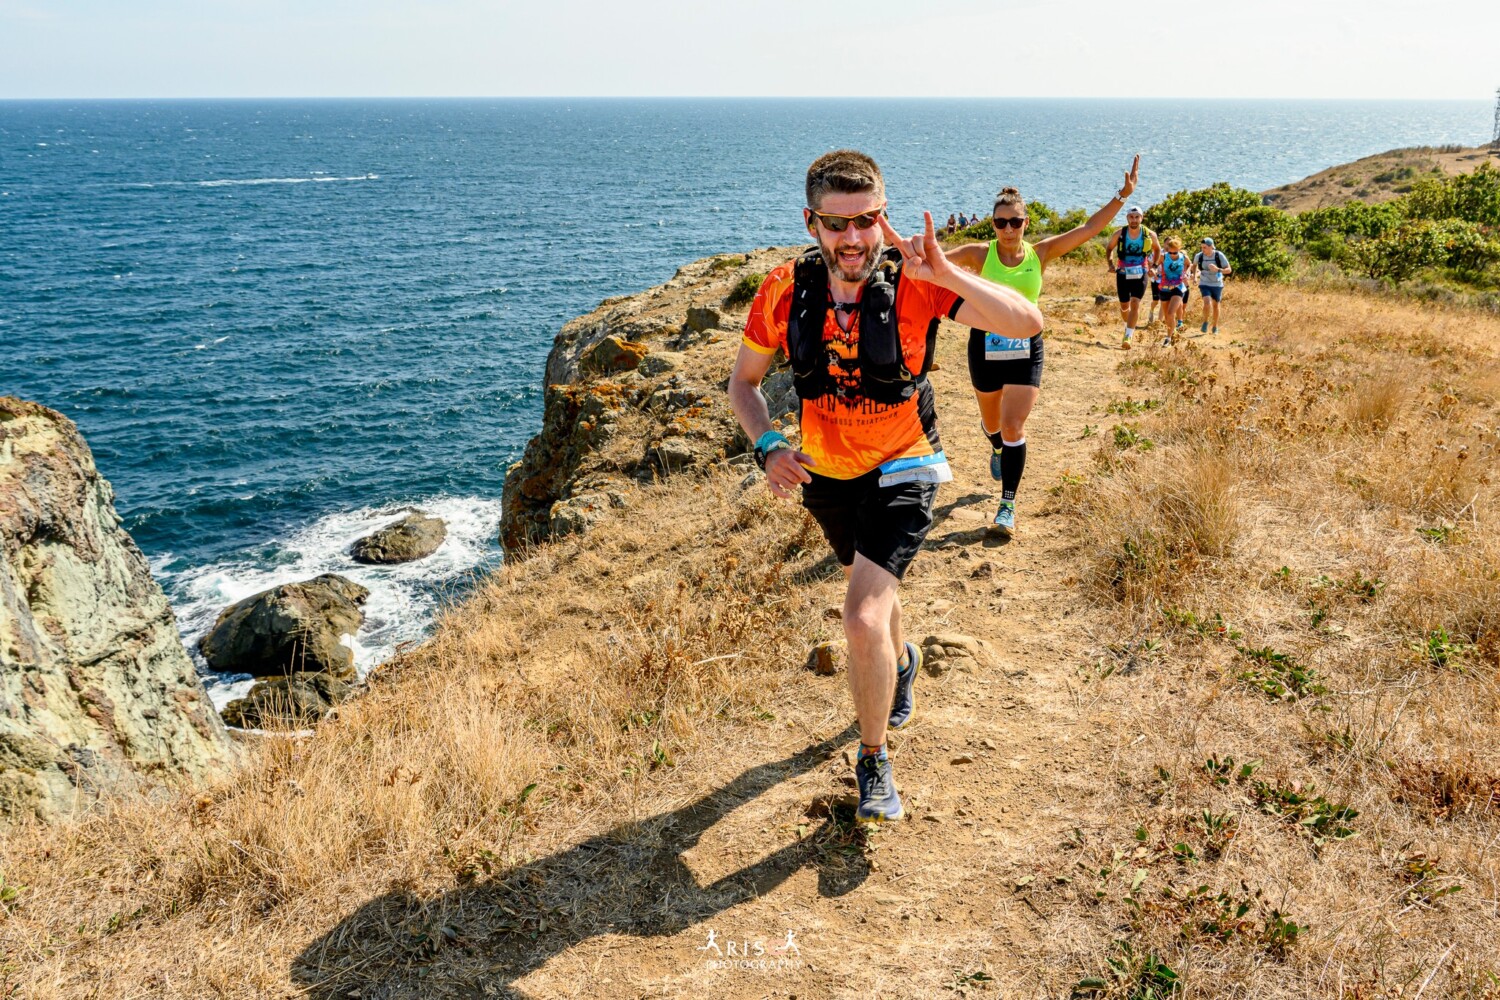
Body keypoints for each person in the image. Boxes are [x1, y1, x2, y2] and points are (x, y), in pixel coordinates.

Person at [728, 150, 1042, 824]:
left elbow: (1025, 323)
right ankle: (902, 661)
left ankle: (873, 761)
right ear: (810, 222)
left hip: (906, 462)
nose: (853, 239)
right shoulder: (783, 290)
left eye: (866, 221)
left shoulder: (915, 282)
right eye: (836, 224)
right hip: (828, 473)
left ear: (883, 218)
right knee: (877, 593)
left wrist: (949, 271)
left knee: (860, 613)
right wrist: (768, 445)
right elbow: (743, 384)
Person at [947, 156, 1140, 535]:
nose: (1008, 228)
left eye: (1015, 221)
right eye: (1001, 222)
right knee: (992, 426)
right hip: (984, 348)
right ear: (993, 224)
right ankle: (997, 448)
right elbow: (932, 264)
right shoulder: (977, 254)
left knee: (1013, 425)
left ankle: (1007, 506)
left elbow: (1088, 228)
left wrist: (1122, 196)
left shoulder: (1041, 253)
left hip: (1026, 349)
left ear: (1026, 223)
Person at [1105, 205, 1161, 349]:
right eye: (1131, 217)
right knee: (1124, 306)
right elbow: (1109, 248)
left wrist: (1154, 267)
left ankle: (1128, 336)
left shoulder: (1150, 234)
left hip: (1141, 272)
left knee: (1135, 303)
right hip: (1123, 273)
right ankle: (1127, 325)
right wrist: (1111, 264)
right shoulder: (1120, 233)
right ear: (1127, 218)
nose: (1134, 220)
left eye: (1137, 217)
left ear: (1141, 218)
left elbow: (1157, 249)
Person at [1156, 236, 1191, 344]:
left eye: (1175, 253)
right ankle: (1172, 332)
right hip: (1164, 287)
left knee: (1171, 313)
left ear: (1179, 250)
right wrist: (1154, 271)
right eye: (1170, 252)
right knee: (1167, 316)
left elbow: (1190, 265)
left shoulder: (1183, 257)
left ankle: (1168, 338)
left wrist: (1187, 273)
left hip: (1178, 287)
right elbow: (1154, 265)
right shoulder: (1163, 256)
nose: (1172, 255)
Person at [1195, 237, 1231, 333]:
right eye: (1201, 247)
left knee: (1216, 305)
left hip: (1217, 284)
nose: (1202, 250)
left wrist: (1218, 269)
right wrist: (1194, 276)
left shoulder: (1219, 255)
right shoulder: (1199, 256)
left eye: (1205, 247)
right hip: (1204, 282)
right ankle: (1205, 322)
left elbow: (1229, 270)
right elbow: (1193, 266)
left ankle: (1215, 326)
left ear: (1211, 247)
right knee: (1207, 302)